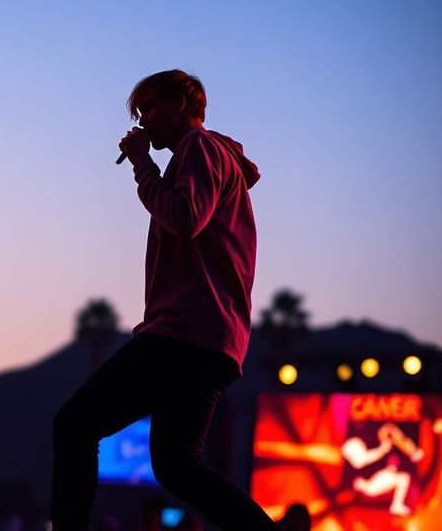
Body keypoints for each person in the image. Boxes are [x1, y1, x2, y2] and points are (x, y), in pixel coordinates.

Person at [51, 69, 281, 530]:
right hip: (215, 341)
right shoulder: (217, 159)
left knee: (74, 425)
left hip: (185, 331)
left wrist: (142, 165)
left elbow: (185, 216)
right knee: (179, 467)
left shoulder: (200, 148)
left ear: (182, 103)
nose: (144, 122)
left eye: (150, 109)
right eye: (139, 114)